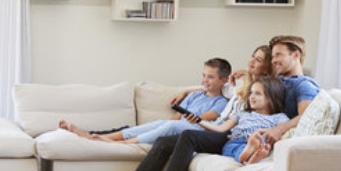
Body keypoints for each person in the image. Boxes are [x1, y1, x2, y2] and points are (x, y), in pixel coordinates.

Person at [86, 35, 320, 171]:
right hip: (231, 128)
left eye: (278, 56)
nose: (275, 60)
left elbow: (306, 116)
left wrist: (278, 129)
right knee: (167, 140)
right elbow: (230, 86)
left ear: (296, 55)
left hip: (239, 134)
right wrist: (247, 74)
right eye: (273, 57)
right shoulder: (274, 80)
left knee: (187, 135)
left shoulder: (302, 85)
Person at [59, 58, 231, 145]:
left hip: (197, 131)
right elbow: (177, 117)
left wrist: (176, 121)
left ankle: (123, 144)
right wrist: (185, 96)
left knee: (171, 126)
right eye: (203, 76)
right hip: (180, 126)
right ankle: (99, 138)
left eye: (210, 77)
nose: (205, 80)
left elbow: (201, 119)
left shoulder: (222, 102)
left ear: (223, 80)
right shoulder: (195, 96)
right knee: (163, 123)